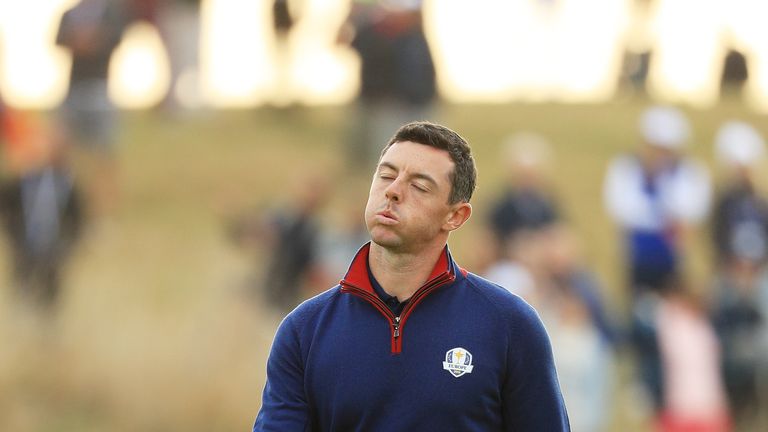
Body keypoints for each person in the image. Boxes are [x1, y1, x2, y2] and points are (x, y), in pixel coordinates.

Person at [253, 121, 570, 431]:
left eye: (418, 185)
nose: (392, 191)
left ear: (455, 216)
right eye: (386, 175)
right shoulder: (304, 330)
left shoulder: (509, 325)